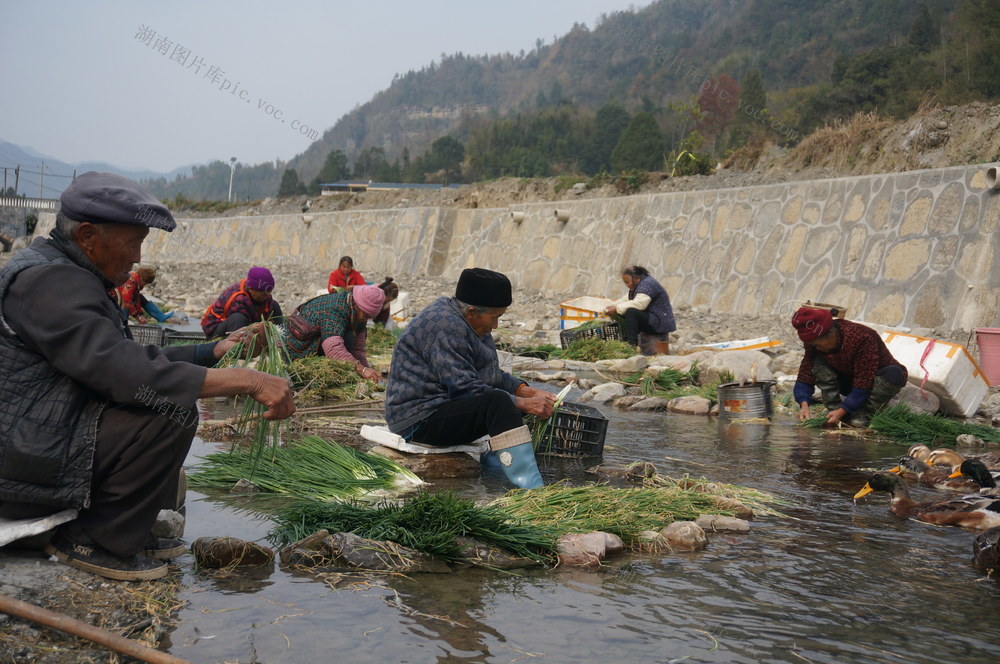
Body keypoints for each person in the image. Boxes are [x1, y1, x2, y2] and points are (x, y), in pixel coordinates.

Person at [0, 172, 295, 581]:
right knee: (170, 412)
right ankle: (95, 539)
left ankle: (120, 526)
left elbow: (129, 355)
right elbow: (123, 372)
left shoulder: (72, 274)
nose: (138, 257)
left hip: (42, 436)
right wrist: (248, 381)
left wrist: (213, 351)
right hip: (22, 459)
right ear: (87, 235)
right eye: (134, 242)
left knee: (167, 402)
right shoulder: (49, 283)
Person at [384, 268, 555, 489]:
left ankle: (496, 476)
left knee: (502, 401)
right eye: (495, 318)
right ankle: (528, 489)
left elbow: (487, 375)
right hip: (418, 418)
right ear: (472, 311)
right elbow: (464, 388)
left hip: (444, 408)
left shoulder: (473, 324)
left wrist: (525, 391)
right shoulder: (444, 324)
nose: (495, 325)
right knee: (498, 403)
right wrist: (520, 403)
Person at [791, 307, 907, 427]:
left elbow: (864, 380)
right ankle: (834, 410)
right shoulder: (814, 342)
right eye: (813, 345)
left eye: (818, 345)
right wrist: (804, 404)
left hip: (873, 381)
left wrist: (845, 408)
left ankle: (865, 412)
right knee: (818, 363)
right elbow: (806, 371)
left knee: (894, 374)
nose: (817, 348)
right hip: (849, 381)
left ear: (831, 334)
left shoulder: (862, 337)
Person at [284, 283, 385, 382]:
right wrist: (362, 369)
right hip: (299, 346)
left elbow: (358, 348)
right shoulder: (336, 308)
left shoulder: (359, 314)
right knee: (347, 339)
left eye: (369, 317)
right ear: (358, 306)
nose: (366, 319)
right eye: (366, 316)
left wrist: (367, 372)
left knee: (350, 340)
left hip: (322, 340)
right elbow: (333, 348)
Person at [604, 265, 676, 355]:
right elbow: (626, 299)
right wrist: (612, 306)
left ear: (637, 278)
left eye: (627, 282)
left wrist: (617, 309)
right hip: (651, 318)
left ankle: (631, 346)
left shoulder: (648, 284)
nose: (627, 285)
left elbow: (639, 304)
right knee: (622, 311)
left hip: (658, 322)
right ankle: (623, 342)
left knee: (631, 312)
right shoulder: (638, 285)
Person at [201, 266, 283, 339]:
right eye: (263, 294)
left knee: (274, 305)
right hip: (219, 330)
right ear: (251, 289)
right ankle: (236, 350)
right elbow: (248, 326)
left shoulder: (262, 293)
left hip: (246, 322)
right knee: (238, 319)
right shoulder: (239, 299)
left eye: (269, 292)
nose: (267, 296)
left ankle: (283, 338)